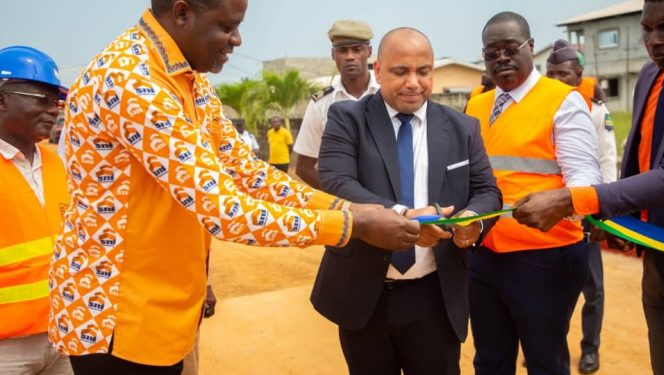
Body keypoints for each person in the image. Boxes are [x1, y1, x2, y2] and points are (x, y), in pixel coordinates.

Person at [50, 1, 420, 373]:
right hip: (117, 314)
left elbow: (247, 173)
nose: (237, 40)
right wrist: (354, 226)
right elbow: (222, 209)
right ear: (182, 13)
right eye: (228, 27)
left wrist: (346, 208)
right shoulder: (132, 78)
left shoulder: (189, 80)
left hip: (165, 307)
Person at [513, 1, 664, 374]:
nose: (653, 41)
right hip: (656, 257)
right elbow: (641, 159)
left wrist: (575, 199)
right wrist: (626, 220)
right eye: (647, 29)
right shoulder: (651, 76)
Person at [312, 27, 501, 374]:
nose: (414, 82)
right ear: (378, 70)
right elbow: (337, 183)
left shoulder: (463, 128)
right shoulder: (346, 119)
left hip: (435, 296)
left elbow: (487, 190)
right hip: (364, 292)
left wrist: (472, 220)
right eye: (401, 71)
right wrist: (405, 217)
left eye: (423, 71)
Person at [464, 11, 601, 375]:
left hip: (545, 257)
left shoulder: (562, 100)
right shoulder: (477, 104)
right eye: (492, 53)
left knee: (544, 360)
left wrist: (561, 204)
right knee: (490, 360)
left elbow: (585, 178)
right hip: (486, 254)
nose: (501, 59)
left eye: (510, 49)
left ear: (531, 47)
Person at [546, 39, 618, 374]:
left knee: (593, 290)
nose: (558, 80)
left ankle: (590, 350)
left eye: (564, 74)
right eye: (551, 74)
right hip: (547, 220)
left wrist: (600, 212)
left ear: (579, 75)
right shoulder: (538, 108)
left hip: (585, 214)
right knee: (544, 289)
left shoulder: (597, 112)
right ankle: (544, 345)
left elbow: (606, 161)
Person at [0, 46, 73, 374]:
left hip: (60, 337)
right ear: (2, 99)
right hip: (6, 350)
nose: (54, 110)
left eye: (57, 101)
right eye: (42, 99)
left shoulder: (56, 165)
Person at [293, 20, 379, 189]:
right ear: (333, 55)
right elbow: (304, 168)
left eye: (357, 49)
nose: (350, 56)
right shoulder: (321, 103)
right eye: (342, 50)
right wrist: (341, 197)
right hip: (348, 210)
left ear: (369, 52)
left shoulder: (388, 92)